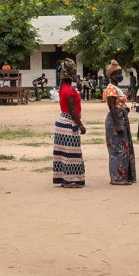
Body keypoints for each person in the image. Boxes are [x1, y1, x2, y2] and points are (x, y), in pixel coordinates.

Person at [103, 60, 136, 185]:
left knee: (123, 148)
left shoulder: (116, 88)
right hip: (115, 120)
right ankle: (117, 178)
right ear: (111, 75)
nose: (119, 75)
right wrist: (117, 125)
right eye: (117, 73)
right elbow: (112, 108)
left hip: (120, 119)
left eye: (120, 73)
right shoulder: (111, 88)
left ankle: (122, 176)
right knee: (118, 150)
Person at [53, 58, 86, 188]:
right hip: (69, 123)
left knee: (63, 154)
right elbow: (72, 110)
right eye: (74, 72)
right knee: (73, 153)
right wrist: (80, 125)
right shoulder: (70, 90)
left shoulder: (63, 87)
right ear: (70, 74)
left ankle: (64, 179)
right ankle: (71, 180)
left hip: (62, 122)